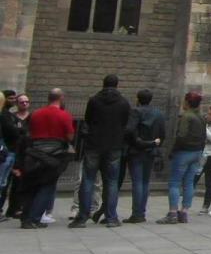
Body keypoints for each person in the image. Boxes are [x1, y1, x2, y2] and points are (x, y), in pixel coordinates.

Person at [70, 74, 131, 229]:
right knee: (111, 182)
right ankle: (111, 217)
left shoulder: (94, 101)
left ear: (103, 84)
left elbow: (88, 119)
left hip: (94, 144)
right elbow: (125, 122)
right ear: (117, 85)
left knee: (88, 179)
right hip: (114, 146)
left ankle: (82, 217)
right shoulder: (123, 103)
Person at [16, 90, 75, 230]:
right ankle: (34, 218)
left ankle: (26, 217)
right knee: (47, 186)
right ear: (61, 98)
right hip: (54, 155)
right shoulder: (64, 115)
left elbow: (28, 133)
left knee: (32, 186)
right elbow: (70, 136)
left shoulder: (36, 114)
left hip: (34, 153)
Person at [157, 92, 205, 224]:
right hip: (196, 152)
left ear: (187, 102)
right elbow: (204, 137)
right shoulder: (201, 118)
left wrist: (174, 150)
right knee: (189, 183)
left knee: (174, 182)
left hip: (184, 152)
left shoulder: (186, 117)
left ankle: (172, 212)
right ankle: (184, 212)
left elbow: (181, 136)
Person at [124, 89, 165, 223]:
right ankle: (141, 211)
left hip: (137, 150)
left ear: (138, 98)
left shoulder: (136, 111)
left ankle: (137, 213)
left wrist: (133, 141)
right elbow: (162, 133)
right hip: (151, 150)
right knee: (145, 182)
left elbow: (129, 130)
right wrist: (155, 144)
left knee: (137, 182)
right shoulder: (158, 113)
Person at [0, 93, 31, 219]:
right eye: (21, 101)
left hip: (20, 152)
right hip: (9, 151)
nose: (24, 104)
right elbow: (12, 132)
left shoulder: (30, 117)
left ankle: (14, 208)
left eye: (26, 101)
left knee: (15, 182)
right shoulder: (8, 116)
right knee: (3, 182)